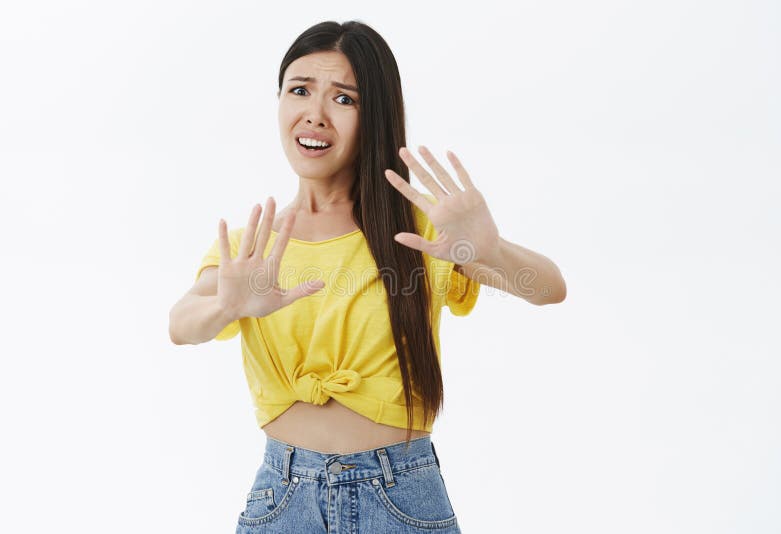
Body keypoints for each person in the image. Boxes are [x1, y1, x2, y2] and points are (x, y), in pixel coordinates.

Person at [169, 19, 566, 534]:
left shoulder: (418, 233)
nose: (314, 115)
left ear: (374, 116)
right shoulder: (256, 247)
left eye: (344, 99)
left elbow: (547, 288)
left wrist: (490, 250)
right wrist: (228, 307)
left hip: (400, 495)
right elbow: (180, 325)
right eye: (300, 90)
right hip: (281, 496)